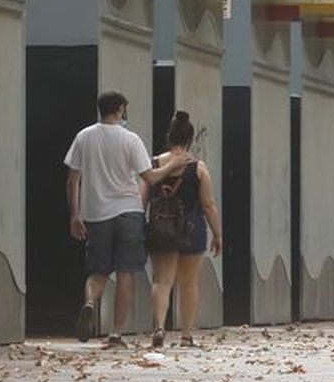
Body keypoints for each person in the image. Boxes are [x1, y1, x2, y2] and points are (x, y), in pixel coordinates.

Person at [65, 91, 187, 348]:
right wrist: (171, 164)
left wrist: (75, 215)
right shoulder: (131, 140)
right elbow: (151, 178)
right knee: (126, 273)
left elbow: (72, 180)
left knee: (98, 271)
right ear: (120, 109)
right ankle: (116, 334)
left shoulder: (83, 137)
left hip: (96, 214)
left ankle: (89, 303)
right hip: (128, 212)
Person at [146, 111, 224, 349]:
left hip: (160, 229)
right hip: (191, 228)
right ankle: (186, 336)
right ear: (191, 138)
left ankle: (159, 326)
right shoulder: (198, 168)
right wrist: (218, 234)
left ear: (169, 136)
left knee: (162, 281)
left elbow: (143, 196)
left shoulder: (154, 164)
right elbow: (208, 204)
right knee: (188, 284)